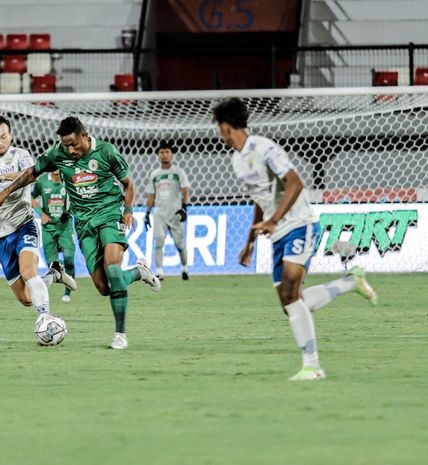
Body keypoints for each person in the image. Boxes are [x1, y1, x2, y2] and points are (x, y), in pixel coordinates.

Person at [213, 97, 378, 381]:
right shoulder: (237, 160)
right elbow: (259, 198)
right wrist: (249, 241)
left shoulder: (263, 148)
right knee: (289, 301)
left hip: (300, 224)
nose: (218, 132)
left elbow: (295, 181)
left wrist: (275, 219)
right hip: (276, 232)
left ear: (226, 127)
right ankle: (351, 282)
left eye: (218, 126)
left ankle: (312, 366)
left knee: (291, 287)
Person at [0, 116, 161, 350]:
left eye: (74, 144)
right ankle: (139, 272)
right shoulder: (58, 154)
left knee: (113, 270)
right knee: (104, 287)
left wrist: (127, 209)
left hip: (109, 215)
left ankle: (120, 335)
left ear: (85, 137)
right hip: (84, 223)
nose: (70, 150)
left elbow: (129, 184)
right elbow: (32, 172)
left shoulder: (106, 152)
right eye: (66, 145)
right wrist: (4, 192)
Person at [0, 115, 76, 329]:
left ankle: (45, 319)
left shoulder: (20, 155)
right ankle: (53, 275)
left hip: (23, 224)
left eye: (3, 136)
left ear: (11, 135)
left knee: (28, 271)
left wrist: (4, 177)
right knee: (26, 298)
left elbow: (31, 175)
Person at [145, 140, 191, 281]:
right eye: (161, 152)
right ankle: (159, 272)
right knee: (158, 240)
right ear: (158, 155)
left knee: (179, 243)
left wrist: (184, 208)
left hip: (175, 212)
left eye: (167, 152)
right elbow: (151, 195)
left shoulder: (178, 172)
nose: (164, 155)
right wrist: (147, 213)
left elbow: (185, 190)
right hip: (159, 212)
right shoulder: (155, 174)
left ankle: (184, 268)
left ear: (172, 155)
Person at [32, 170, 77, 303]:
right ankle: (61, 274)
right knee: (53, 265)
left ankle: (67, 293)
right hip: (49, 228)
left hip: (65, 227)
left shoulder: (70, 180)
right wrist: (41, 213)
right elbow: (31, 198)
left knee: (69, 258)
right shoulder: (42, 181)